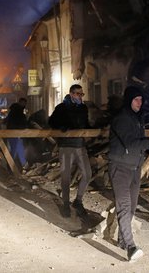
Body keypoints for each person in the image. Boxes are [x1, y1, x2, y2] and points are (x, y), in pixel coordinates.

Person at [108, 86, 149, 262]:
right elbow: (131, 143)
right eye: (136, 100)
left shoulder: (137, 119)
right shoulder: (121, 119)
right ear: (129, 100)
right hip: (120, 168)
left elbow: (139, 143)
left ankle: (121, 240)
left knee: (132, 207)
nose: (139, 103)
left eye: (141, 100)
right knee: (124, 206)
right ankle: (131, 246)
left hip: (134, 169)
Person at [48, 85, 92, 217]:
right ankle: (66, 204)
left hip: (80, 145)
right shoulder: (62, 108)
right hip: (66, 145)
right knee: (66, 177)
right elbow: (51, 121)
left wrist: (94, 129)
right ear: (71, 94)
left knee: (87, 173)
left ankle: (78, 201)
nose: (80, 96)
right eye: (78, 94)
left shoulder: (83, 108)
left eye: (81, 94)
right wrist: (61, 127)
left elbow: (85, 124)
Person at [4, 98, 29, 173]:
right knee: (16, 149)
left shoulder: (14, 110)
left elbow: (7, 120)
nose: (24, 105)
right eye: (24, 103)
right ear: (21, 103)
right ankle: (12, 167)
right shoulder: (18, 111)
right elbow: (21, 122)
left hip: (12, 133)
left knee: (17, 148)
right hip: (15, 133)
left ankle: (21, 165)